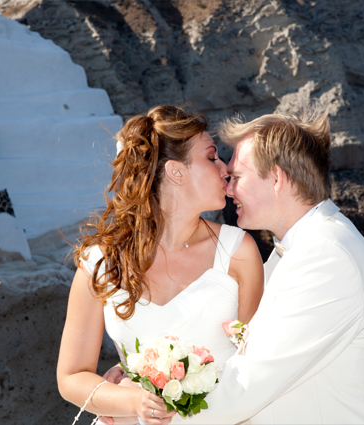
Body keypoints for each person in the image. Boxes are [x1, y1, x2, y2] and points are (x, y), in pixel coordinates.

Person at [185, 111, 364, 424]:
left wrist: (142, 412)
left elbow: (245, 387)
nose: (228, 190)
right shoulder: (297, 250)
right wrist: (146, 377)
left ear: (276, 179)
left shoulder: (327, 257)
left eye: (236, 178)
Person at [56, 105, 264, 425]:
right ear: (176, 172)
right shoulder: (101, 262)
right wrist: (132, 400)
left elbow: (257, 364)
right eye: (211, 157)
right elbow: (71, 376)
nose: (225, 169)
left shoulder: (238, 252)